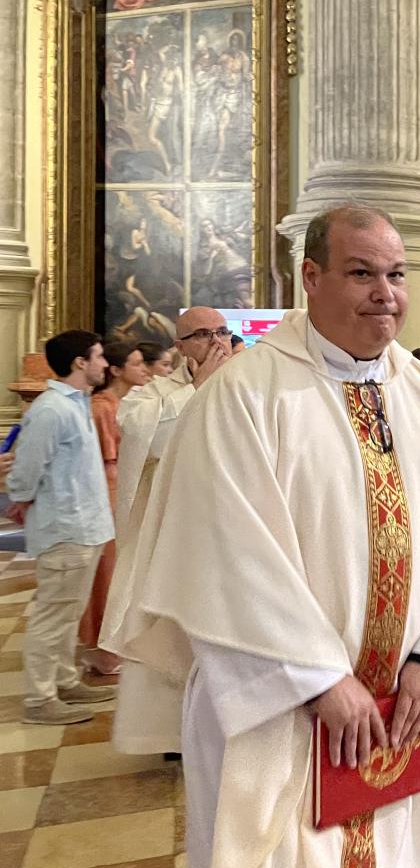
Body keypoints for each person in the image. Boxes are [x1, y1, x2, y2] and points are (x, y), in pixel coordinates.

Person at [109, 204, 420, 868]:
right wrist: (319, 678)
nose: (386, 293)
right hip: (281, 713)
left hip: (397, 710)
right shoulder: (243, 396)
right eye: (362, 273)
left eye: (397, 275)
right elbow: (225, 552)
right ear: (311, 277)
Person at [103, 306, 232, 756]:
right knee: (170, 627)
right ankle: (170, 735)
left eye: (222, 331)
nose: (216, 341)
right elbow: (151, 440)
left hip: (229, 531)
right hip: (171, 532)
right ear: (180, 346)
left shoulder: (248, 381)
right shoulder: (153, 394)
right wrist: (198, 389)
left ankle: (227, 725)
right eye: (202, 334)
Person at [6, 331, 117, 725]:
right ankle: (39, 699)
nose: (105, 364)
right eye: (99, 357)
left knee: (68, 615)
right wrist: (21, 497)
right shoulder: (52, 409)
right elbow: (28, 467)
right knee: (51, 617)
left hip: (84, 527)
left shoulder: (76, 403)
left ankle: (65, 680)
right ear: (79, 363)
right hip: (66, 528)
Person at [80, 342, 150, 677]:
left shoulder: (135, 402)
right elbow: (105, 459)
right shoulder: (102, 406)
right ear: (118, 370)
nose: (145, 370)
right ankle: (102, 648)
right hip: (109, 492)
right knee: (108, 573)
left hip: (129, 488)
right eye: (137, 364)